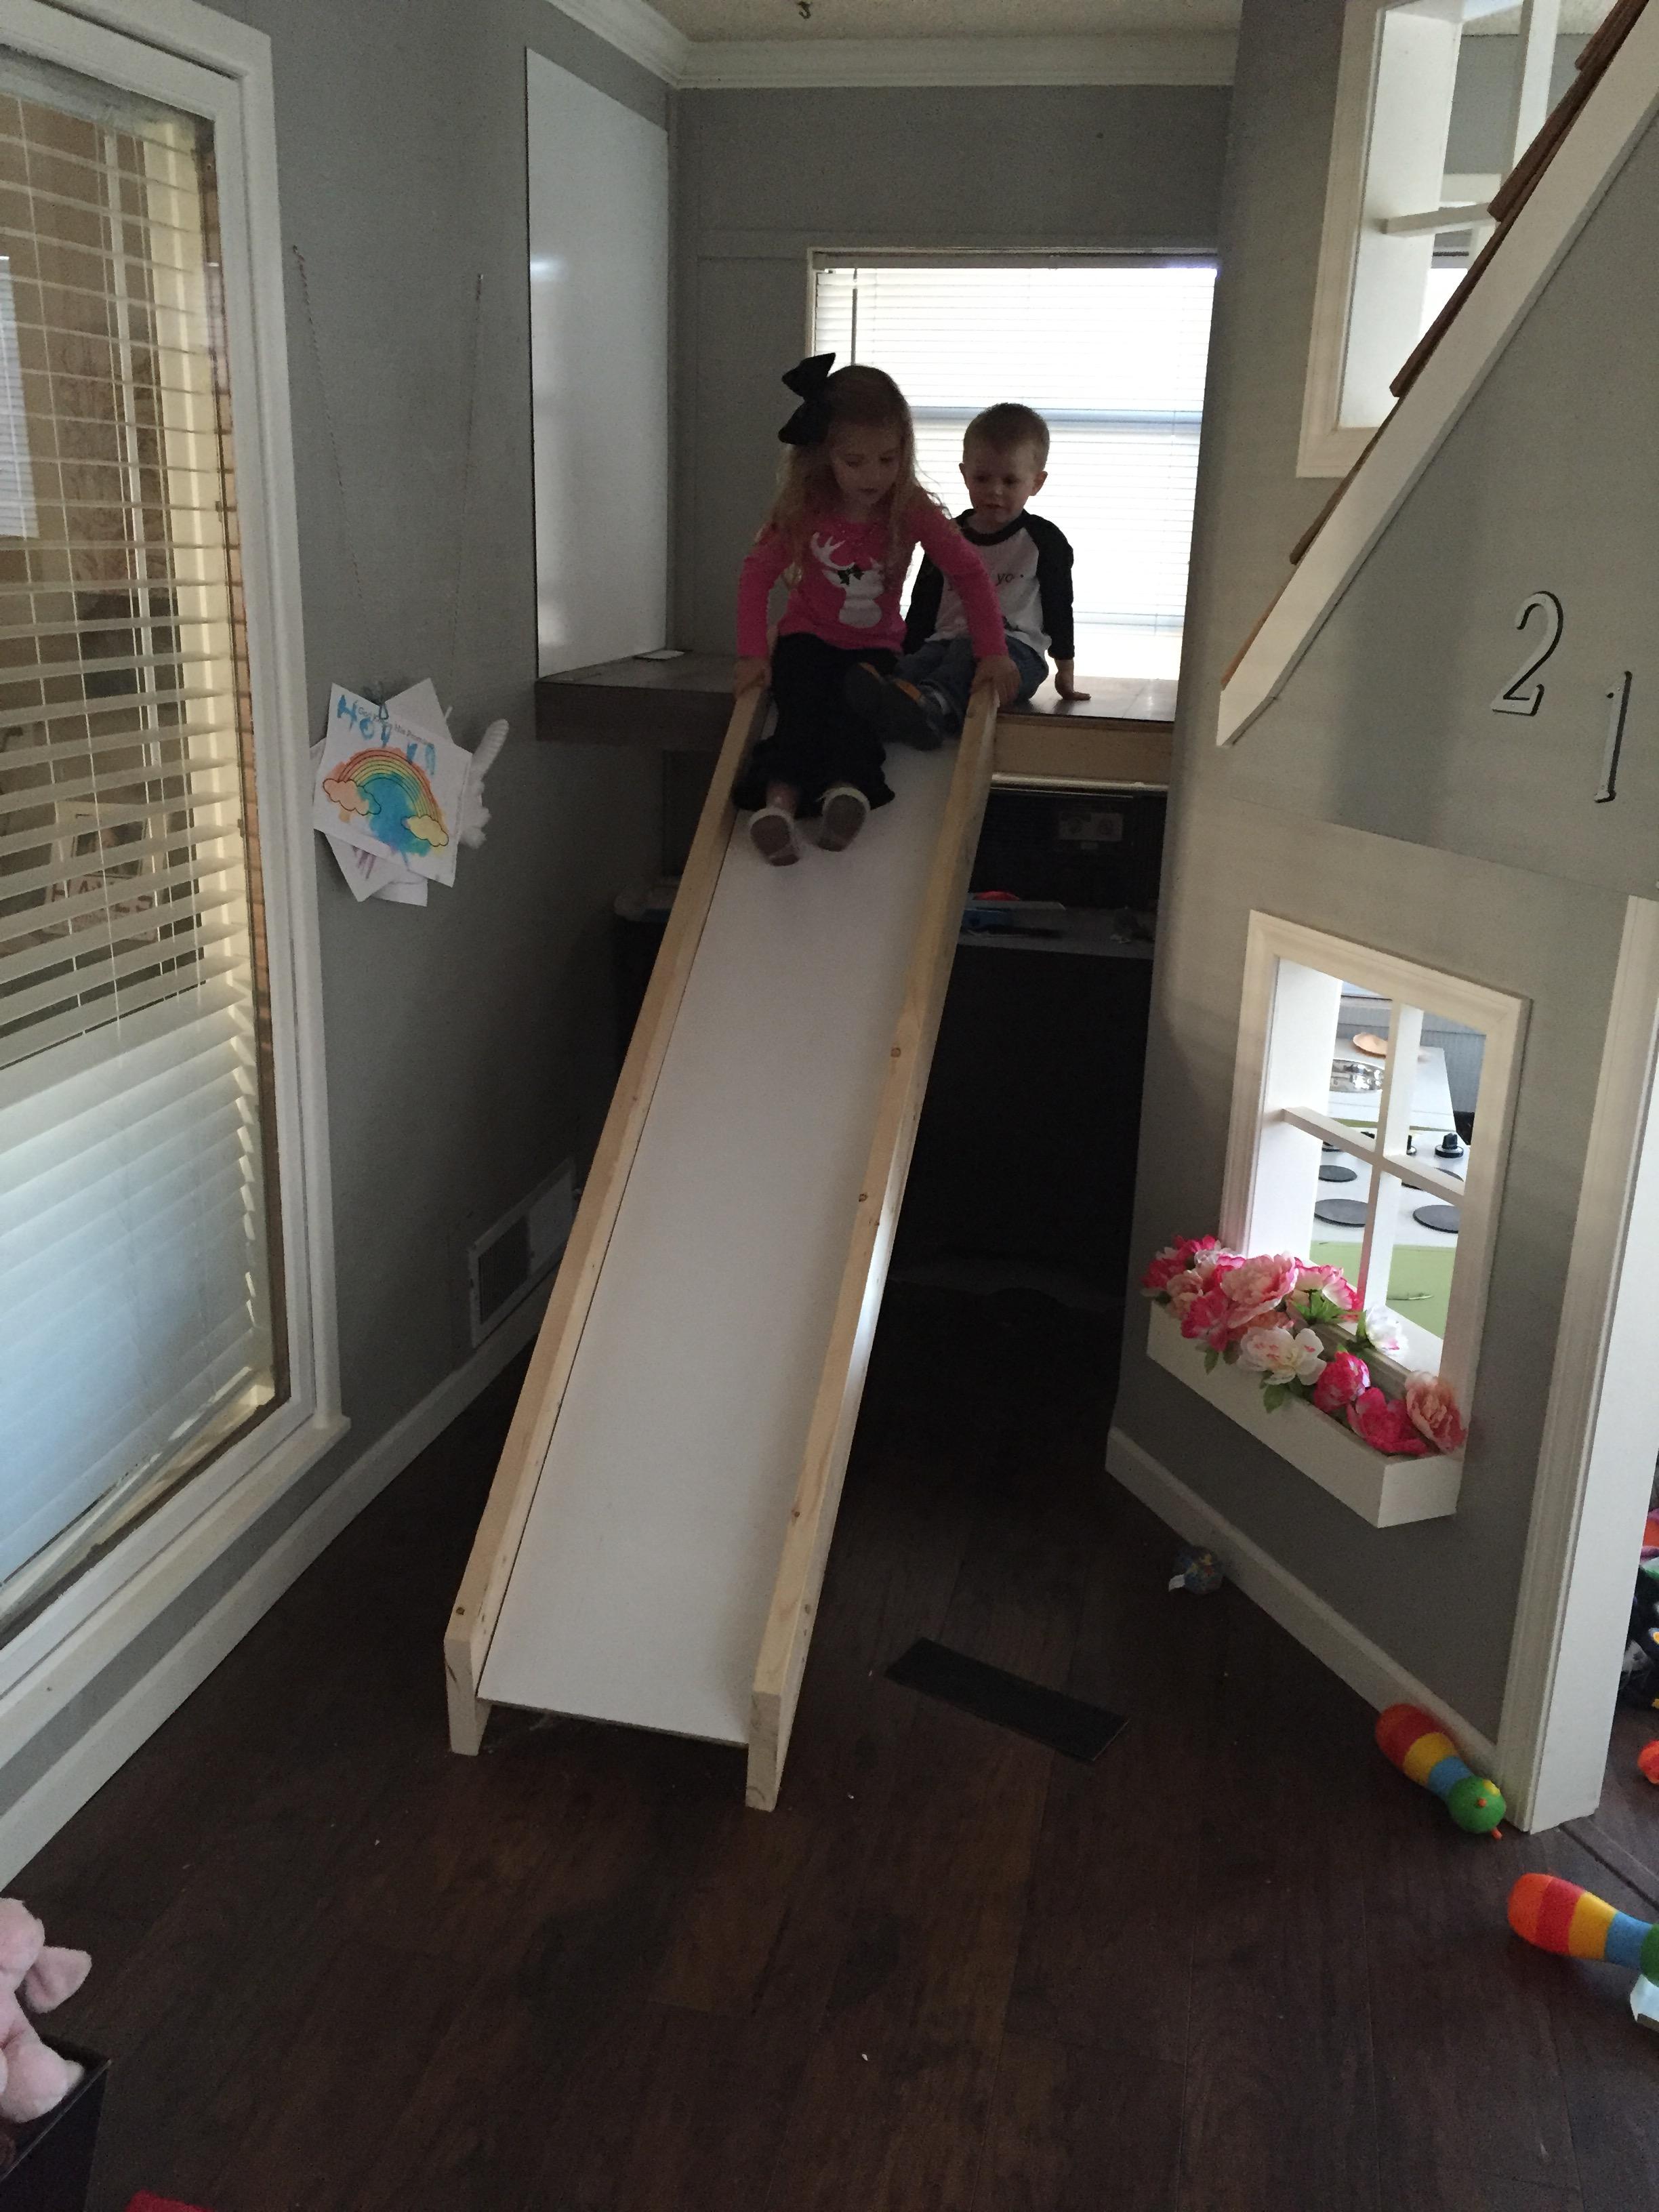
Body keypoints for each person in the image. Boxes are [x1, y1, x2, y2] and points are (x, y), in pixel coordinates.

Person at [733, 355, 1018, 867]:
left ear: (903, 452)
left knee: (860, 712)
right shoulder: (807, 506)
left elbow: (970, 573)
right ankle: (780, 805)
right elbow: (756, 575)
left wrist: (992, 651)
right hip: (808, 635)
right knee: (801, 706)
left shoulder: (908, 508)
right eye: (856, 461)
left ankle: (847, 794)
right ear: (825, 456)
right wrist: (753, 653)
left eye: (888, 459)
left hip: (877, 645)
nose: (874, 475)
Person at [846, 401, 1089, 752]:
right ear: (964, 474)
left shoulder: (1044, 540)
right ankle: (889, 696)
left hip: (1014, 655)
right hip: (945, 642)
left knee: (965, 652)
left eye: (1010, 481)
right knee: (923, 659)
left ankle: (934, 705)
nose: (994, 491)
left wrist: (1064, 671)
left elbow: (1058, 605)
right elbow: (925, 602)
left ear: (1036, 483)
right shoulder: (948, 534)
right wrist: (907, 650)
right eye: (982, 478)